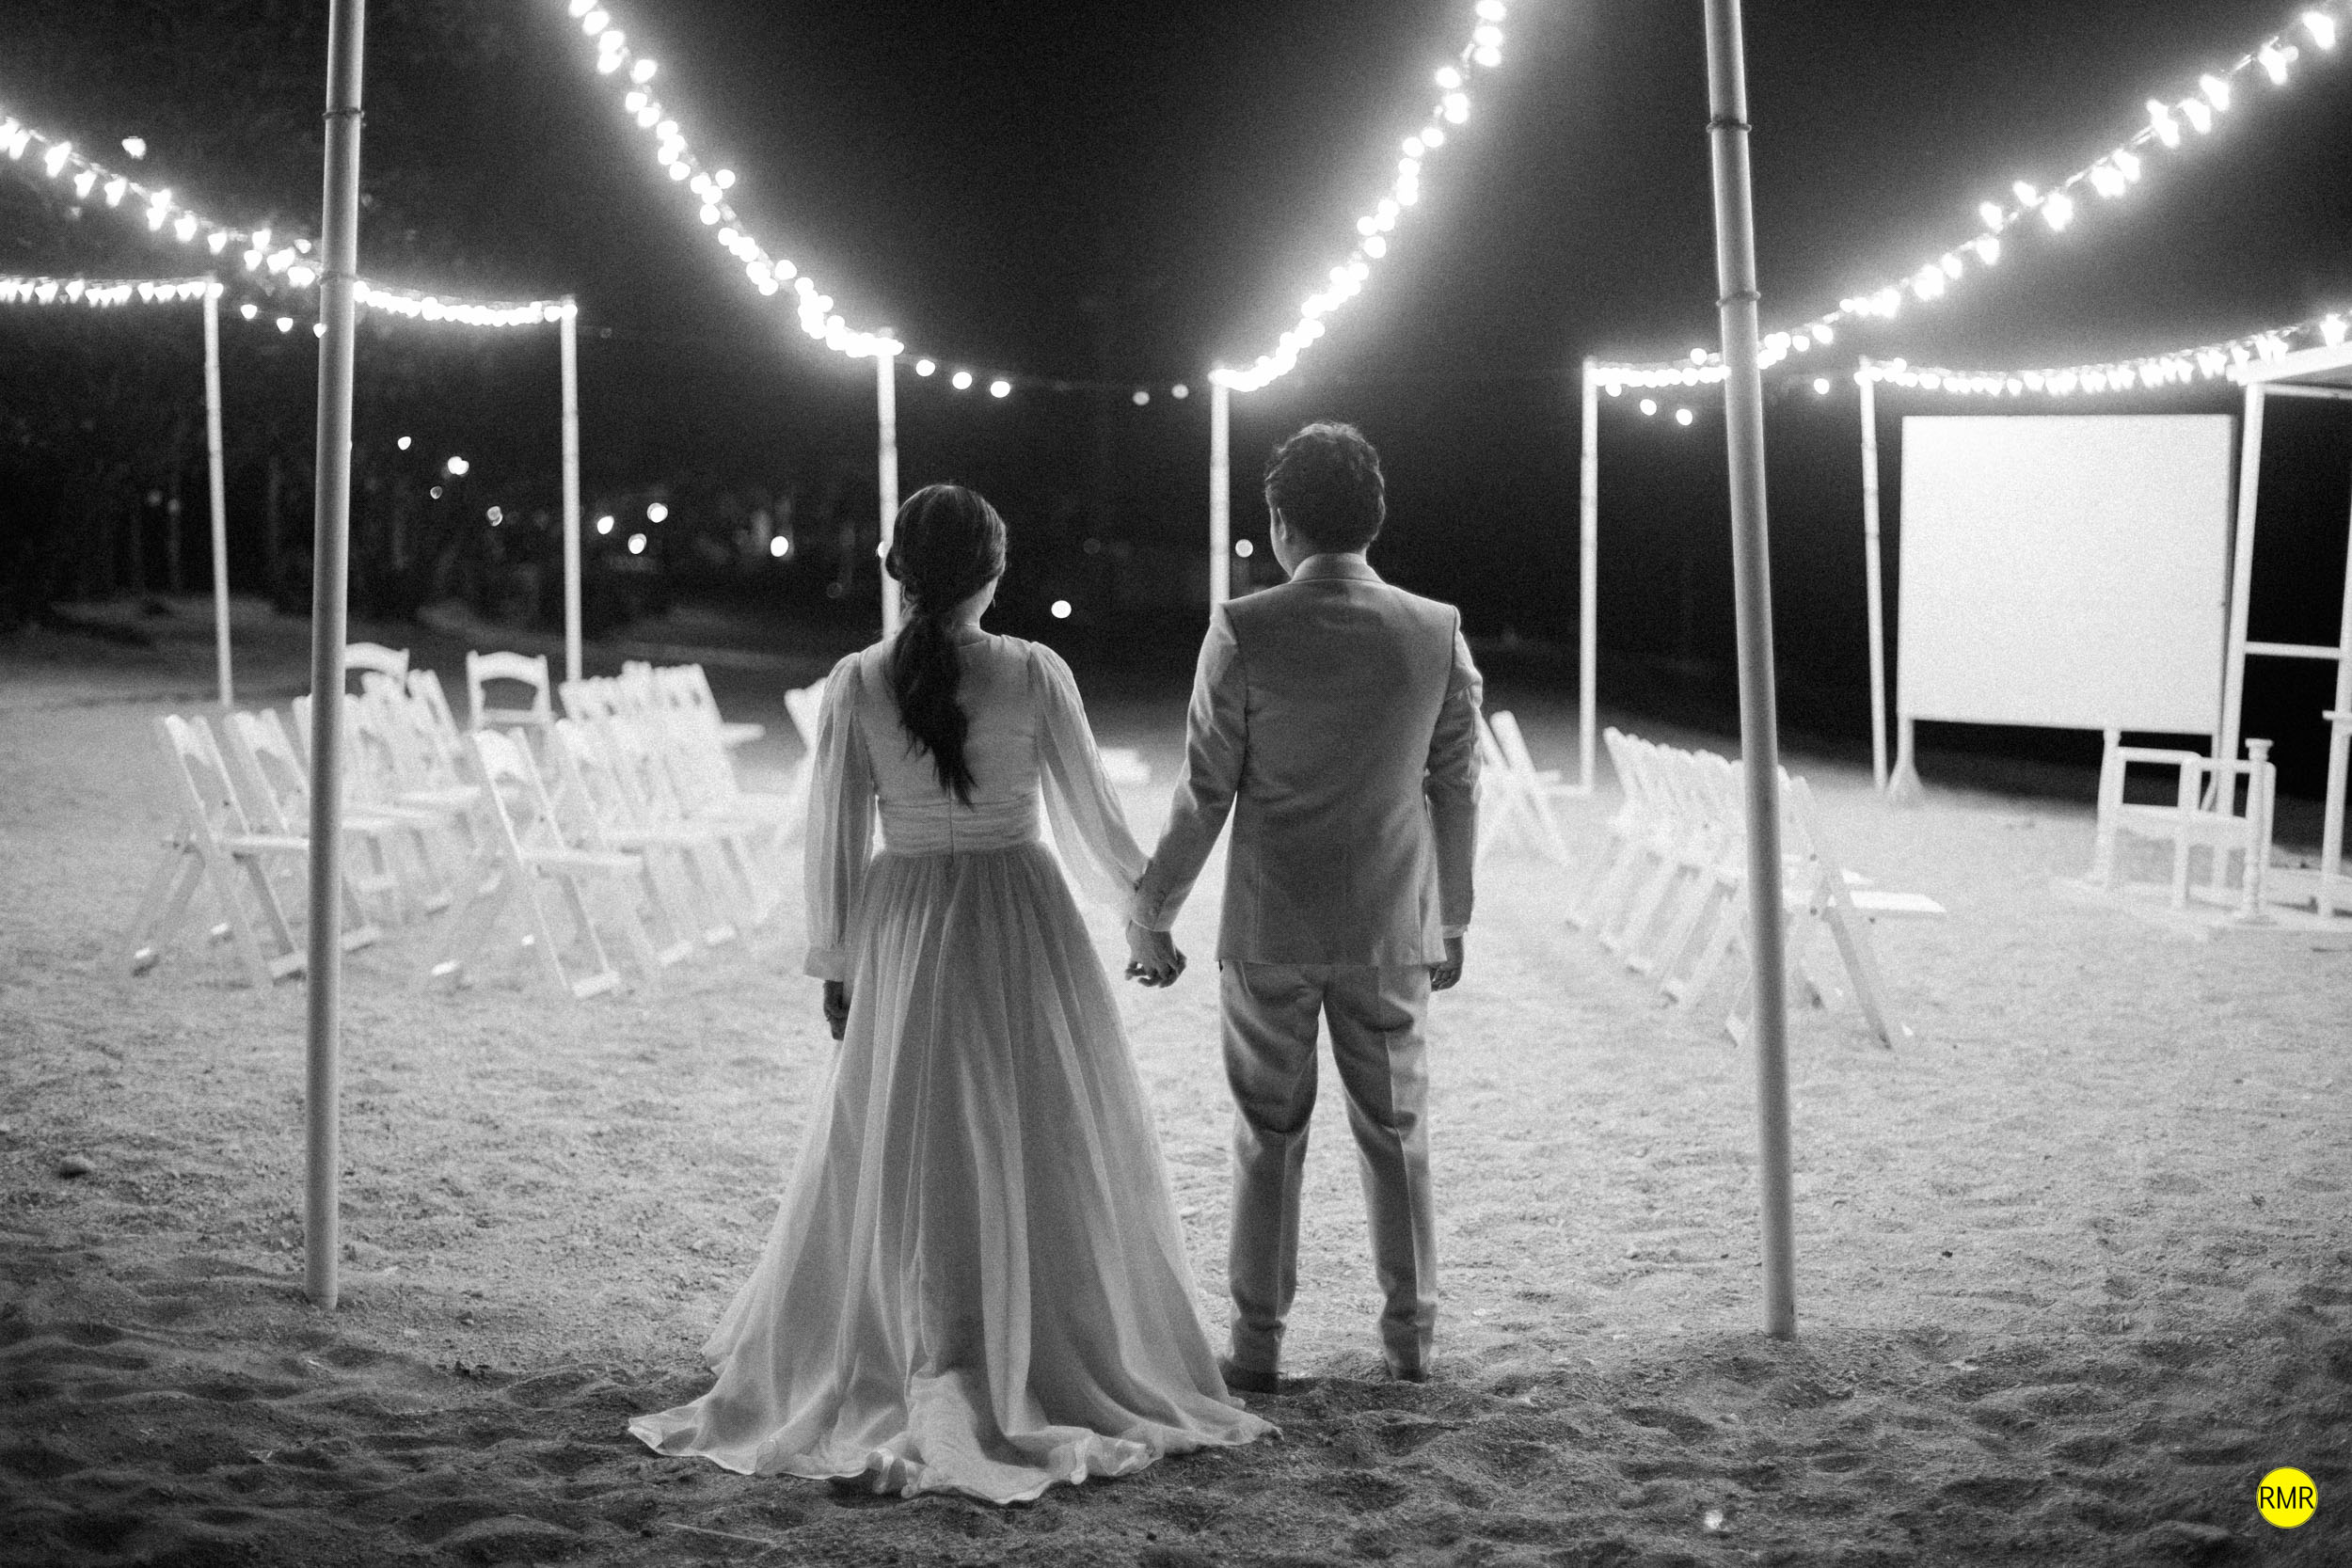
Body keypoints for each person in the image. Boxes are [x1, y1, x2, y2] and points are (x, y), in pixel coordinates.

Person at [630, 483, 1271, 1503]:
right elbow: (1091, 813)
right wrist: (1144, 915)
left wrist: (838, 962)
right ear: (995, 571)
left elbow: (835, 835)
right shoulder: (1033, 671)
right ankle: (1029, 1329)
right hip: (1022, 911)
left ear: (898, 571)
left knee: (909, 1126)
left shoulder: (857, 680)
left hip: (907, 918)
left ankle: (917, 1326)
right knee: (1039, 1120)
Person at [1124, 421, 1482, 1390]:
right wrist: (1452, 915)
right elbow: (1456, 784)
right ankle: (1410, 1338)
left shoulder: (1243, 627)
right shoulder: (1435, 629)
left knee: (1266, 1136)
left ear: (1281, 520)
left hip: (1271, 925)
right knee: (1397, 1131)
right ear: (1376, 518)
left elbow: (1205, 792)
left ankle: (1257, 1342)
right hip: (1390, 925)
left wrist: (1153, 907)